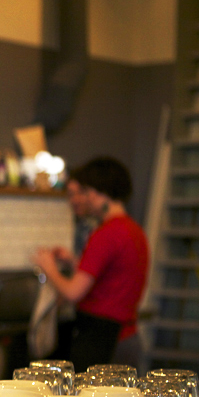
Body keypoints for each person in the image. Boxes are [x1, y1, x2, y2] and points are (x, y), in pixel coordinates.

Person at [34, 157, 149, 371]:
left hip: (103, 341)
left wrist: (48, 266)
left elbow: (73, 292)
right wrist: (73, 260)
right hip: (127, 337)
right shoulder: (135, 231)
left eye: (86, 191)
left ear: (99, 192)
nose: (83, 199)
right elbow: (110, 278)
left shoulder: (106, 234)